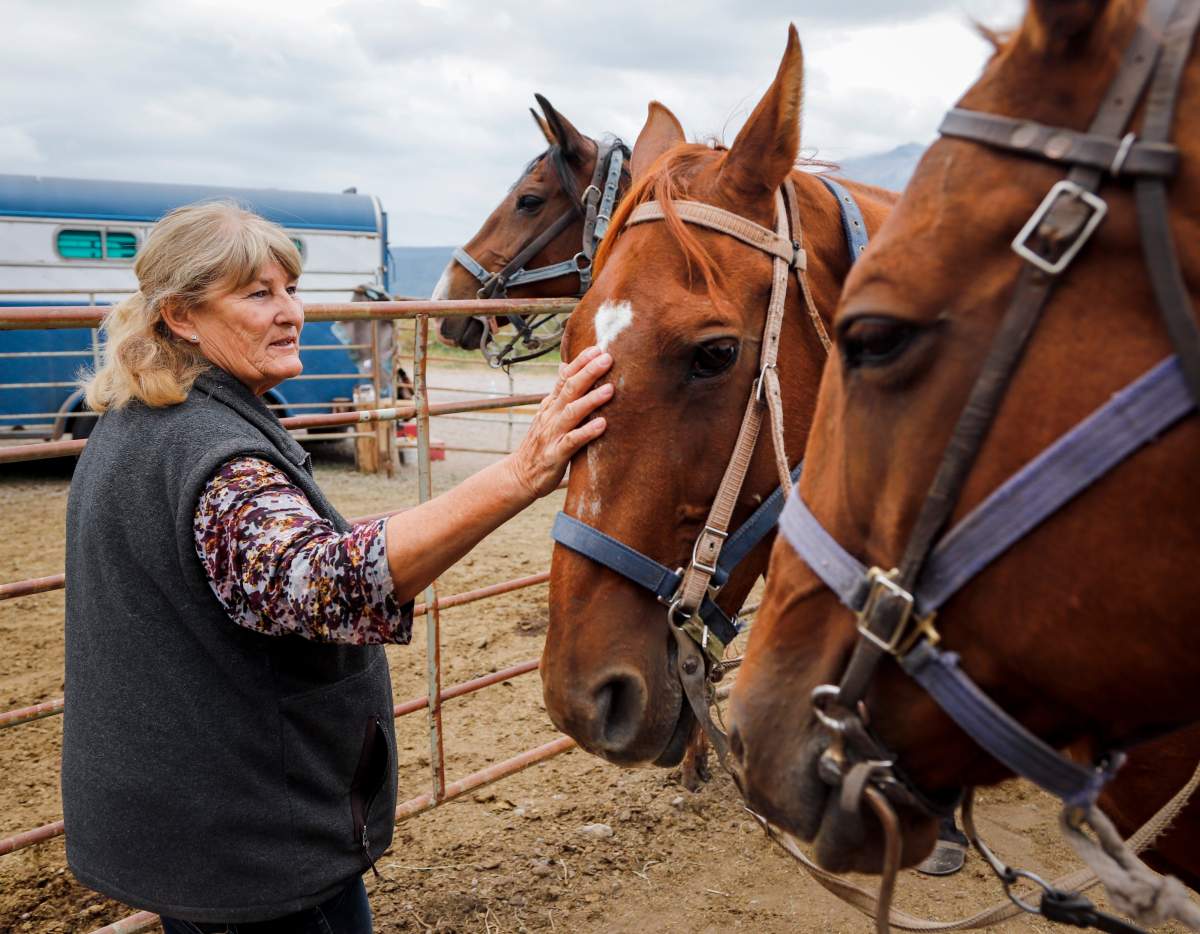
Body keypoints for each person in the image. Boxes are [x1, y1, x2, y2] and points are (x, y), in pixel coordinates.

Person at [62, 201, 613, 933]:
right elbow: (329, 583)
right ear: (181, 318)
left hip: (202, 822)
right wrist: (521, 471)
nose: (291, 312)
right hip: (248, 846)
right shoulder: (215, 460)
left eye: (290, 288)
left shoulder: (144, 422)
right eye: (258, 294)